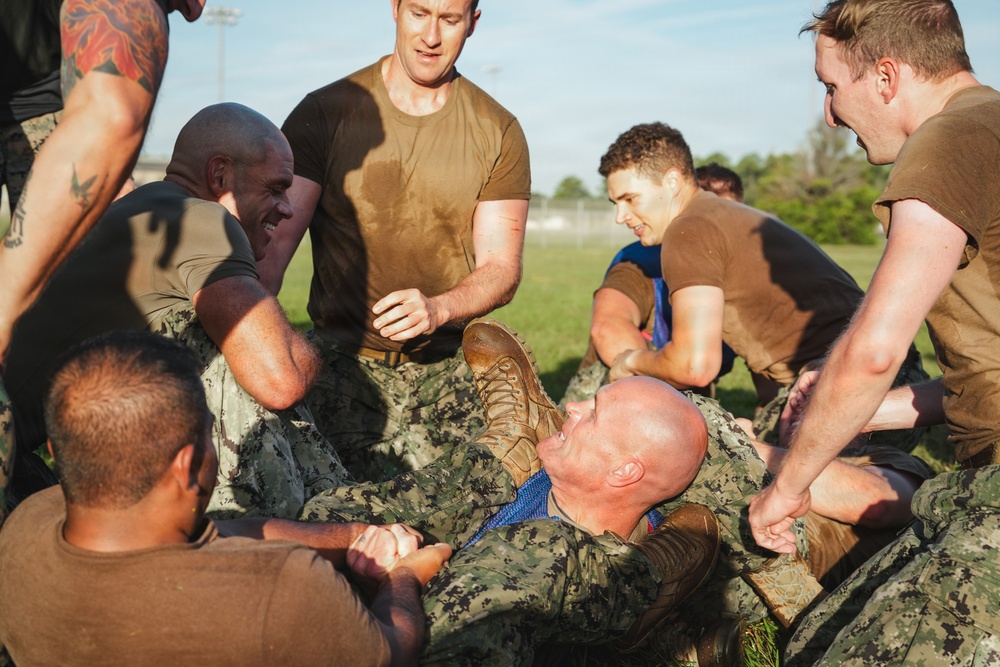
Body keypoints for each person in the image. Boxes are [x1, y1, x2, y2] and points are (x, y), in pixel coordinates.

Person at [302, 318, 929, 663]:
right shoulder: (489, 486)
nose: (571, 407)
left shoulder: (560, 560)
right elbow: (326, 513)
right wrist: (370, 542)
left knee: (539, 551)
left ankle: (650, 590)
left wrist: (405, 578)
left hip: (417, 627)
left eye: (591, 413)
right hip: (469, 532)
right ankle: (519, 446)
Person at [748, 0, 1000, 664]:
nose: (829, 114)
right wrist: (873, 409)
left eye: (833, 88)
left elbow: (876, 348)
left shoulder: (946, 142)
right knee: (810, 634)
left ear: (885, 77)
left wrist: (788, 485)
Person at [0, 330, 451, 665]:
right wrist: (404, 579)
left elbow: (226, 530)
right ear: (189, 465)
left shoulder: (26, 526)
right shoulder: (284, 588)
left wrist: (354, 536)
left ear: (57, 451)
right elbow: (392, 650)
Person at [4, 103, 350, 519]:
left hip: (18, 452)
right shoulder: (201, 218)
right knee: (226, 350)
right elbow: (280, 380)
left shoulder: (138, 212)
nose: (288, 208)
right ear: (219, 176)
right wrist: (310, 351)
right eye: (275, 189)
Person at [258, 0, 531, 482]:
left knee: (457, 529)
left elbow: (501, 268)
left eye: (449, 20)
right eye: (419, 14)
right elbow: (271, 253)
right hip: (340, 368)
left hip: (448, 371)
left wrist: (440, 308)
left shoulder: (498, 131)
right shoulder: (325, 112)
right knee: (331, 522)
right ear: (395, 10)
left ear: (473, 21)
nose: (431, 36)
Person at [0, 0, 207, 521]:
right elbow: (114, 114)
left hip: (36, 99)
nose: (200, 10)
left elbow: (102, 120)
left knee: (99, 316)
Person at [599, 122, 928, 449]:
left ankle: (884, 481)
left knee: (668, 454)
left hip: (853, 395)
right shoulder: (720, 214)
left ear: (671, 181)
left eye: (630, 199)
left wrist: (630, 361)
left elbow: (694, 366)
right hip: (892, 384)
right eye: (616, 203)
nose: (620, 216)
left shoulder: (689, 229)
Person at [561, 163, 752, 406]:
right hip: (613, 399)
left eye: (727, 214)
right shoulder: (643, 261)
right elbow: (609, 327)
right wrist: (666, 403)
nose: (718, 226)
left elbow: (768, 364)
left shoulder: (742, 272)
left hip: (683, 401)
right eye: (708, 215)